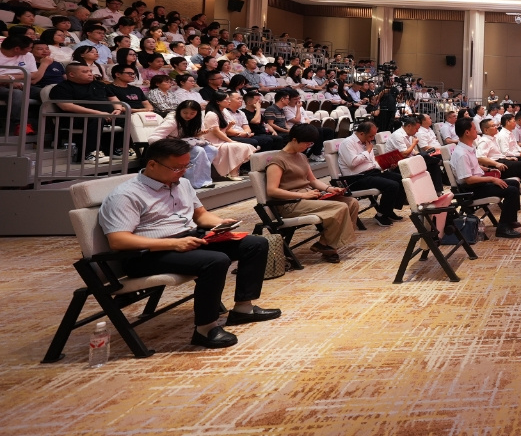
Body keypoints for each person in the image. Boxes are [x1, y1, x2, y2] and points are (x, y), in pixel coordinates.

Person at [98, 138, 281, 349]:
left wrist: (221, 223)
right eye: (177, 167)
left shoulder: (182, 184)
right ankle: (205, 329)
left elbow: (201, 216)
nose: (183, 172)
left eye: (187, 166)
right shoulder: (126, 195)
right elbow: (118, 240)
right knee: (215, 260)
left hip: (188, 239)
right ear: (152, 164)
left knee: (255, 244)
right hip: (147, 254)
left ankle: (243, 309)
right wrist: (173, 245)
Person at [265, 123, 359, 263]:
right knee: (340, 207)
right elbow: (272, 190)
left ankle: (326, 243)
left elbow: (312, 180)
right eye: (306, 143)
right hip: (290, 203)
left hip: (308, 197)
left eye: (311, 143)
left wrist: (329, 189)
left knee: (351, 202)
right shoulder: (278, 161)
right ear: (294, 140)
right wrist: (302, 195)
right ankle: (329, 246)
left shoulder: (301, 157)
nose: (308, 146)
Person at [449, 116, 520, 239]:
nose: (477, 131)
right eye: (474, 129)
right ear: (467, 132)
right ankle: (503, 228)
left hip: (478, 184)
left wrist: (488, 170)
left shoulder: (468, 148)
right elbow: (468, 179)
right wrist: (492, 179)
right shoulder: (461, 154)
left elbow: (473, 167)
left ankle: (510, 220)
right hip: (471, 190)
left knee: (514, 183)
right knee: (511, 191)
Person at [49, 62, 128, 163]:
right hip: (76, 118)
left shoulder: (99, 84)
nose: (90, 74)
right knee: (95, 119)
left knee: (127, 118)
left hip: (106, 115)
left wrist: (118, 109)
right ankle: (90, 153)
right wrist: (99, 113)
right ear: (72, 74)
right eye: (85, 72)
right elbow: (66, 106)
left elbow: (113, 99)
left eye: (90, 71)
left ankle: (119, 149)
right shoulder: (61, 88)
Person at [335, 121, 406, 226]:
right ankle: (381, 215)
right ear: (361, 133)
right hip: (356, 178)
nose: (372, 139)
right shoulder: (347, 143)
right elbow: (352, 163)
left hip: (371, 173)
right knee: (392, 185)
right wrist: (367, 151)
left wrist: (386, 165)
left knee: (401, 179)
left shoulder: (366, 142)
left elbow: (372, 163)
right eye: (371, 136)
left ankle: (388, 210)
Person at [149, 100, 218, 188]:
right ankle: (195, 182)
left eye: (192, 113)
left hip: (186, 144)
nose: (188, 116)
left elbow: (192, 137)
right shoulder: (172, 121)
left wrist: (199, 134)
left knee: (212, 150)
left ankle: (201, 179)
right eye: (185, 113)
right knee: (198, 150)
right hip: (172, 146)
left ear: (197, 113)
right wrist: (167, 149)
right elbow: (154, 137)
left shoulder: (197, 121)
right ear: (179, 111)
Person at [384, 114, 447, 192]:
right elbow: (404, 154)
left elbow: (412, 151)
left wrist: (420, 155)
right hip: (398, 164)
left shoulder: (409, 134)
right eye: (416, 129)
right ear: (409, 126)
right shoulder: (398, 135)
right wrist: (414, 144)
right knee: (425, 156)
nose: (417, 131)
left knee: (432, 164)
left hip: (408, 160)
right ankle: (439, 161)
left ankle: (438, 191)